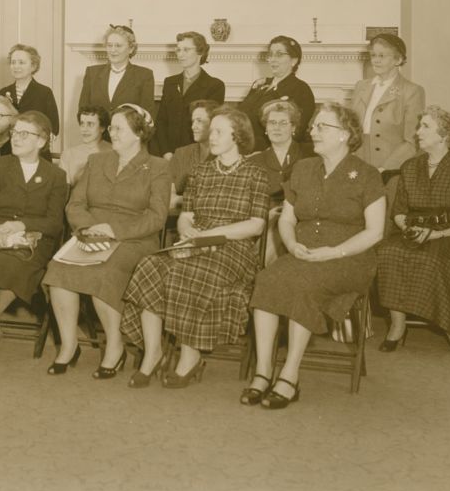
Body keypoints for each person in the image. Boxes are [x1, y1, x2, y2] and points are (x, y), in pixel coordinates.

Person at [244, 103, 385, 409]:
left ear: (345, 135)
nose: (313, 132)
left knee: (304, 283)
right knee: (267, 279)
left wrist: (335, 251)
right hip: (304, 251)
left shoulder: (367, 175)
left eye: (323, 127)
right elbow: (287, 219)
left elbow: (375, 232)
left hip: (350, 257)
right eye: (313, 127)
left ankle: (290, 375)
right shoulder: (303, 169)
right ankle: (263, 370)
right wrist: (292, 244)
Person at [122, 106, 269, 388]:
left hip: (233, 248)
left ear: (237, 136)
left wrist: (211, 234)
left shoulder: (255, 174)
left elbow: (256, 226)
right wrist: (189, 232)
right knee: (151, 265)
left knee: (193, 272)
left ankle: (190, 357)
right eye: (209, 130)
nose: (209, 136)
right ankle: (153, 352)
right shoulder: (200, 172)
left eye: (217, 132)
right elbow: (186, 217)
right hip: (196, 241)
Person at [42, 104, 170, 379]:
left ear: (139, 132)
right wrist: (88, 228)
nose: (112, 132)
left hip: (133, 239)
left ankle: (115, 346)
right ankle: (69, 345)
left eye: (118, 128)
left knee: (105, 272)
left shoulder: (158, 167)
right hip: (90, 233)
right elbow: (75, 204)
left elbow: (157, 217)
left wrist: (114, 230)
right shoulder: (97, 161)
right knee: (59, 270)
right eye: (111, 127)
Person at [376, 106, 450, 355]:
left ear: (444, 135)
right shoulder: (410, 167)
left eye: (425, 127)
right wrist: (408, 227)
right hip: (413, 231)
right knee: (388, 254)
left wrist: (435, 234)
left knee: (436, 260)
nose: (417, 132)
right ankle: (397, 326)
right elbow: (398, 210)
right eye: (420, 126)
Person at [0, 111, 68, 359]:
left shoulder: (56, 176)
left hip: (35, 238)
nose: (16, 138)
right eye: (15, 133)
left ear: (41, 141)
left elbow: (54, 223)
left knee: (19, 265)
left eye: (25, 134)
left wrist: (21, 226)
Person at [349, 33, 425, 171]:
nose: (375, 60)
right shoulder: (361, 86)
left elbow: (412, 141)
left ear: (398, 60)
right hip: (358, 162)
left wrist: (385, 168)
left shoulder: (411, 91)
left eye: (382, 56)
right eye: (373, 55)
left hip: (390, 166)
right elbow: (351, 128)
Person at [154, 31, 225, 159]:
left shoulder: (215, 86)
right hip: (168, 154)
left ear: (200, 52)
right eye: (178, 50)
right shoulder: (170, 83)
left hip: (198, 155)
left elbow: (210, 126)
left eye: (186, 50)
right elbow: (161, 121)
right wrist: (166, 152)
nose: (180, 54)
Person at [238, 35, 315, 150]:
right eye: (271, 54)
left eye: (279, 54)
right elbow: (240, 114)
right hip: (243, 147)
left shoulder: (301, 89)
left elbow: (296, 133)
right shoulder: (260, 84)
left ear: (294, 60)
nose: (273, 59)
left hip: (270, 153)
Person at [77, 24, 156, 116]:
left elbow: (146, 116)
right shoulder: (92, 73)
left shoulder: (144, 75)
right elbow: (82, 112)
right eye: (109, 45)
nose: (113, 50)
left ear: (131, 48)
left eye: (118, 46)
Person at [247, 100, 311, 205]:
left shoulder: (308, 154)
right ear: (266, 128)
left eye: (283, 123)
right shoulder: (254, 161)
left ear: (293, 127)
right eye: (272, 123)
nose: (277, 128)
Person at [0, 43, 60, 138]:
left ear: (33, 66)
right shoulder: (3, 92)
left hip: (35, 147)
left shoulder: (44, 92)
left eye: (21, 62)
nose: (16, 66)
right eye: (13, 62)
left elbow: (54, 128)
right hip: (8, 146)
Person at [168, 99, 220, 206]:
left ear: (214, 123)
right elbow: (168, 195)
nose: (193, 127)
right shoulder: (181, 153)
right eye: (193, 121)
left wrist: (180, 200)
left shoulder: (225, 155)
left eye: (199, 121)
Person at [58, 106, 110, 186]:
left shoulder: (114, 152)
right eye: (82, 124)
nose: (84, 129)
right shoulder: (68, 154)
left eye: (90, 124)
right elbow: (63, 190)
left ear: (102, 128)